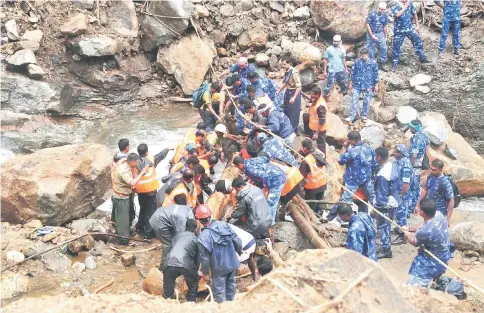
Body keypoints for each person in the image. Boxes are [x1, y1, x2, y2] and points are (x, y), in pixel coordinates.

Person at [196, 205, 242, 303]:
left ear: (199, 220)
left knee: (219, 292)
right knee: (231, 286)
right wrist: (239, 250)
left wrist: (204, 272)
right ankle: (232, 307)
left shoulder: (203, 237)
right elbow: (236, 240)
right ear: (210, 215)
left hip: (219, 268)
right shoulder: (224, 225)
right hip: (232, 263)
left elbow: (204, 259)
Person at [402, 198, 451, 287]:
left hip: (434, 259)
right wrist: (410, 228)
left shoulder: (424, 232)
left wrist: (407, 234)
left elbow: (414, 241)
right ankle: (434, 280)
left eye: (419, 209)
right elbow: (425, 224)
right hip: (445, 253)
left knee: (410, 286)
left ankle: (422, 283)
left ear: (422, 213)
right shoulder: (438, 214)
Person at [233, 154, 287, 224]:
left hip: (276, 179)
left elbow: (264, 176)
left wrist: (266, 188)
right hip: (277, 172)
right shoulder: (250, 160)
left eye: (237, 167)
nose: (238, 168)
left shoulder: (249, 168)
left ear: (239, 164)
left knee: (271, 202)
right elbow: (265, 158)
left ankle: (270, 223)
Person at [334, 131, 375, 220]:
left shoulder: (352, 151)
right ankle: (366, 218)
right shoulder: (370, 148)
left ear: (352, 141)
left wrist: (344, 147)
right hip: (366, 179)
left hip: (353, 180)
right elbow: (374, 163)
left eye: (349, 140)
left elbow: (340, 161)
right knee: (370, 200)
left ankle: (343, 220)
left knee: (346, 201)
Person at [133, 144, 170, 239]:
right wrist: (167, 149)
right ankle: (148, 234)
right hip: (151, 191)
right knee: (150, 212)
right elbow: (160, 156)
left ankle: (139, 227)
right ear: (146, 152)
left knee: (143, 209)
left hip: (140, 191)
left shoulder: (134, 163)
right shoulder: (151, 160)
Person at [111, 153, 149, 245]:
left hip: (124, 195)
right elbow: (132, 183)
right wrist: (142, 173)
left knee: (128, 215)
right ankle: (123, 240)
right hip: (121, 197)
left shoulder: (124, 163)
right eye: (136, 163)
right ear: (132, 162)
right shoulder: (123, 171)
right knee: (123, 219)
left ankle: (124, 230)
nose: (137, 164)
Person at [150, 193, 195, 269]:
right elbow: (180, 235)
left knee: (174, 240)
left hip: (161, 215)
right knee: (168, 244)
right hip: (159, 221)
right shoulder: (182, 218)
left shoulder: (188, 208)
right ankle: (164, 266)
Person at [162, 219, 199, 302]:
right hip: (185, 264)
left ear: (185, 227)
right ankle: (191, 304)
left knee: (167, 294)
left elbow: (172, 250)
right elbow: (197, 259)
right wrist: (195, 272)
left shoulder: (176, 237)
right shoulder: (196, 239)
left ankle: (166, 306)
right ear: (196, 229)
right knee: (193, 284)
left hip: (169, 263)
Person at [373, 146, 399, 259]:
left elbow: (381, 195)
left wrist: (377, 208)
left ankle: (386, 250)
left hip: (386, 204)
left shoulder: (383, 175)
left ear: (378, 157)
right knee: (387, 226)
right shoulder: (392, 166)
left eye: (375, 156)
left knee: (383, 226)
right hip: (394, 200)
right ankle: (385, 245)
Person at [390, 0, 430, 71]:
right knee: (396, 47)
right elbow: (397, 14)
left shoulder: (409, 3)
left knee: (418, 42)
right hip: (399, 30)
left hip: (409, 28)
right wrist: (405, 6)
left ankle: (422, 58)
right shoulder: (395, 4)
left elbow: (414, 13)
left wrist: (417, 25)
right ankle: (394, 64)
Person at [347, 48, 379, 124]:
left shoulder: (373, 63)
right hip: (357, 84)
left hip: (368, 85)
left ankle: (364, 115)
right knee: (354, 100)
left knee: (366, 101)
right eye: (360, 55)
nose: (361, 57)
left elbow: (376, 74)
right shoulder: (357, 61)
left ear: (367, 54)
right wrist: (350, 83)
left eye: (363, 55)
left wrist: (376, 85)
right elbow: (353, 73)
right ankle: (352, 116)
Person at [419, 159, 455, 224]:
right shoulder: (430, 176)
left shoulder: (445, 182)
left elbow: (451, 201)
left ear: (440, 170)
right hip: (429, 210)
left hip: (440, 213)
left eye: (434, 170)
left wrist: (448, 219)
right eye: (431, 169)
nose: (431, 171)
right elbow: (425, 189)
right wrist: (418, 204)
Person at [298, 139, 328, 216]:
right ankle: (321, 215)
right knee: (320, 201)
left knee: (311, 205)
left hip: (312, 186)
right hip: (323, 183)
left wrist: (299, 188)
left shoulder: (306, 161)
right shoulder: (319, 153)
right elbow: (315, 159)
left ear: (304, 148)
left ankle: (313, 218)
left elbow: (301, 176)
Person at [393, 144, 415, 245]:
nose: (394, 153)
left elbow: (406, 183)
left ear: (401, 153)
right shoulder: (399, 162)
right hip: (398, 192)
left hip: (403, 193)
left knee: (401, 214)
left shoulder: (405, 164)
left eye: (396, 152)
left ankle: (403, 236)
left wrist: (401, 194)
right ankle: (399, 228)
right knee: (398, 212)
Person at [408, 120, 430, 216]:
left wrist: (410, 165)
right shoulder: (424, 136)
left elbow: (414, 155)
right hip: (421, 163)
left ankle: (411, 207)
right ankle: (416, 206)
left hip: (415, 164)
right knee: (416, 185)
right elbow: (427, 147)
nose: (409, 129)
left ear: (415, 128)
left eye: (411, 127)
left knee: (412, 186)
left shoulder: (416, 138)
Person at [277, 56, 302, 134]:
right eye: (282, 64)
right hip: (288, 91)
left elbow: (299, 87)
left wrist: (294, 97)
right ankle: (287, 127)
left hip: (294, 92)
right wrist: (279, 90)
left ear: (289, 64)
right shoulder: (287, 71)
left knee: (293, 112)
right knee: (286, 109)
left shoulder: (294, 73)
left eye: (284, 64)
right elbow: (286, 83)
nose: (283, 66)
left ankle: (293, 129)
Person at [301, 87, 328, 154]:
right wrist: (301, 93)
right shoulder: (316, 99)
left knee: (320, 144)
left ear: (317, 95)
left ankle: (322, 158)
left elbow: (322, 121)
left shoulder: (320, 106)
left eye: (312, 94)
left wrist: (316, 133)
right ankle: (309, 139)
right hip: (313, 124)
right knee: (305, 116)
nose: (311, 95)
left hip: (320, 128)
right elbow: (310, 98)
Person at [322, 35, 348, 99]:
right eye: (334, 41)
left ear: (340, 41)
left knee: (342, 82)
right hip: (332, 69)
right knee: (329, 83)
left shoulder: (342, 49)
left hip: (340, 69)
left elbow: (343, 59)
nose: (335, 42)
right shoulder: (329, 49)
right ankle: (325, 96)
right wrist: (325, 71)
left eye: (337, 41)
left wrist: (346, 68)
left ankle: (345, 94)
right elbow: (326, 60)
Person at [365, 2, 390, 70]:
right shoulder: (372, 13)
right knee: (371, 50)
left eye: (383, 9)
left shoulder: (385, 15)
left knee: (384, 48)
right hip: (371, 33)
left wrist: (386, 36)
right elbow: (367, 24)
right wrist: (371, 35)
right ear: (378, 8)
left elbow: (385, 25)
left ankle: (380, 63)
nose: (381, 10)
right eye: (380, 9)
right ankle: (372, 65)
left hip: (380, 34)